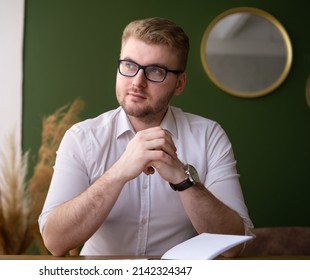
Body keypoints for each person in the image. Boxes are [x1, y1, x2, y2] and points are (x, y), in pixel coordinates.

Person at [38, 17, 253, 258]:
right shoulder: (81, 137)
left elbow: (233, 246)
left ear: (179, 83)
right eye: (129, 65)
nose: (137, 82)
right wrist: (119, 172)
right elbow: (55, 242)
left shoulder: (208, 136)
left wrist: (183, 179)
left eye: (155, 71)